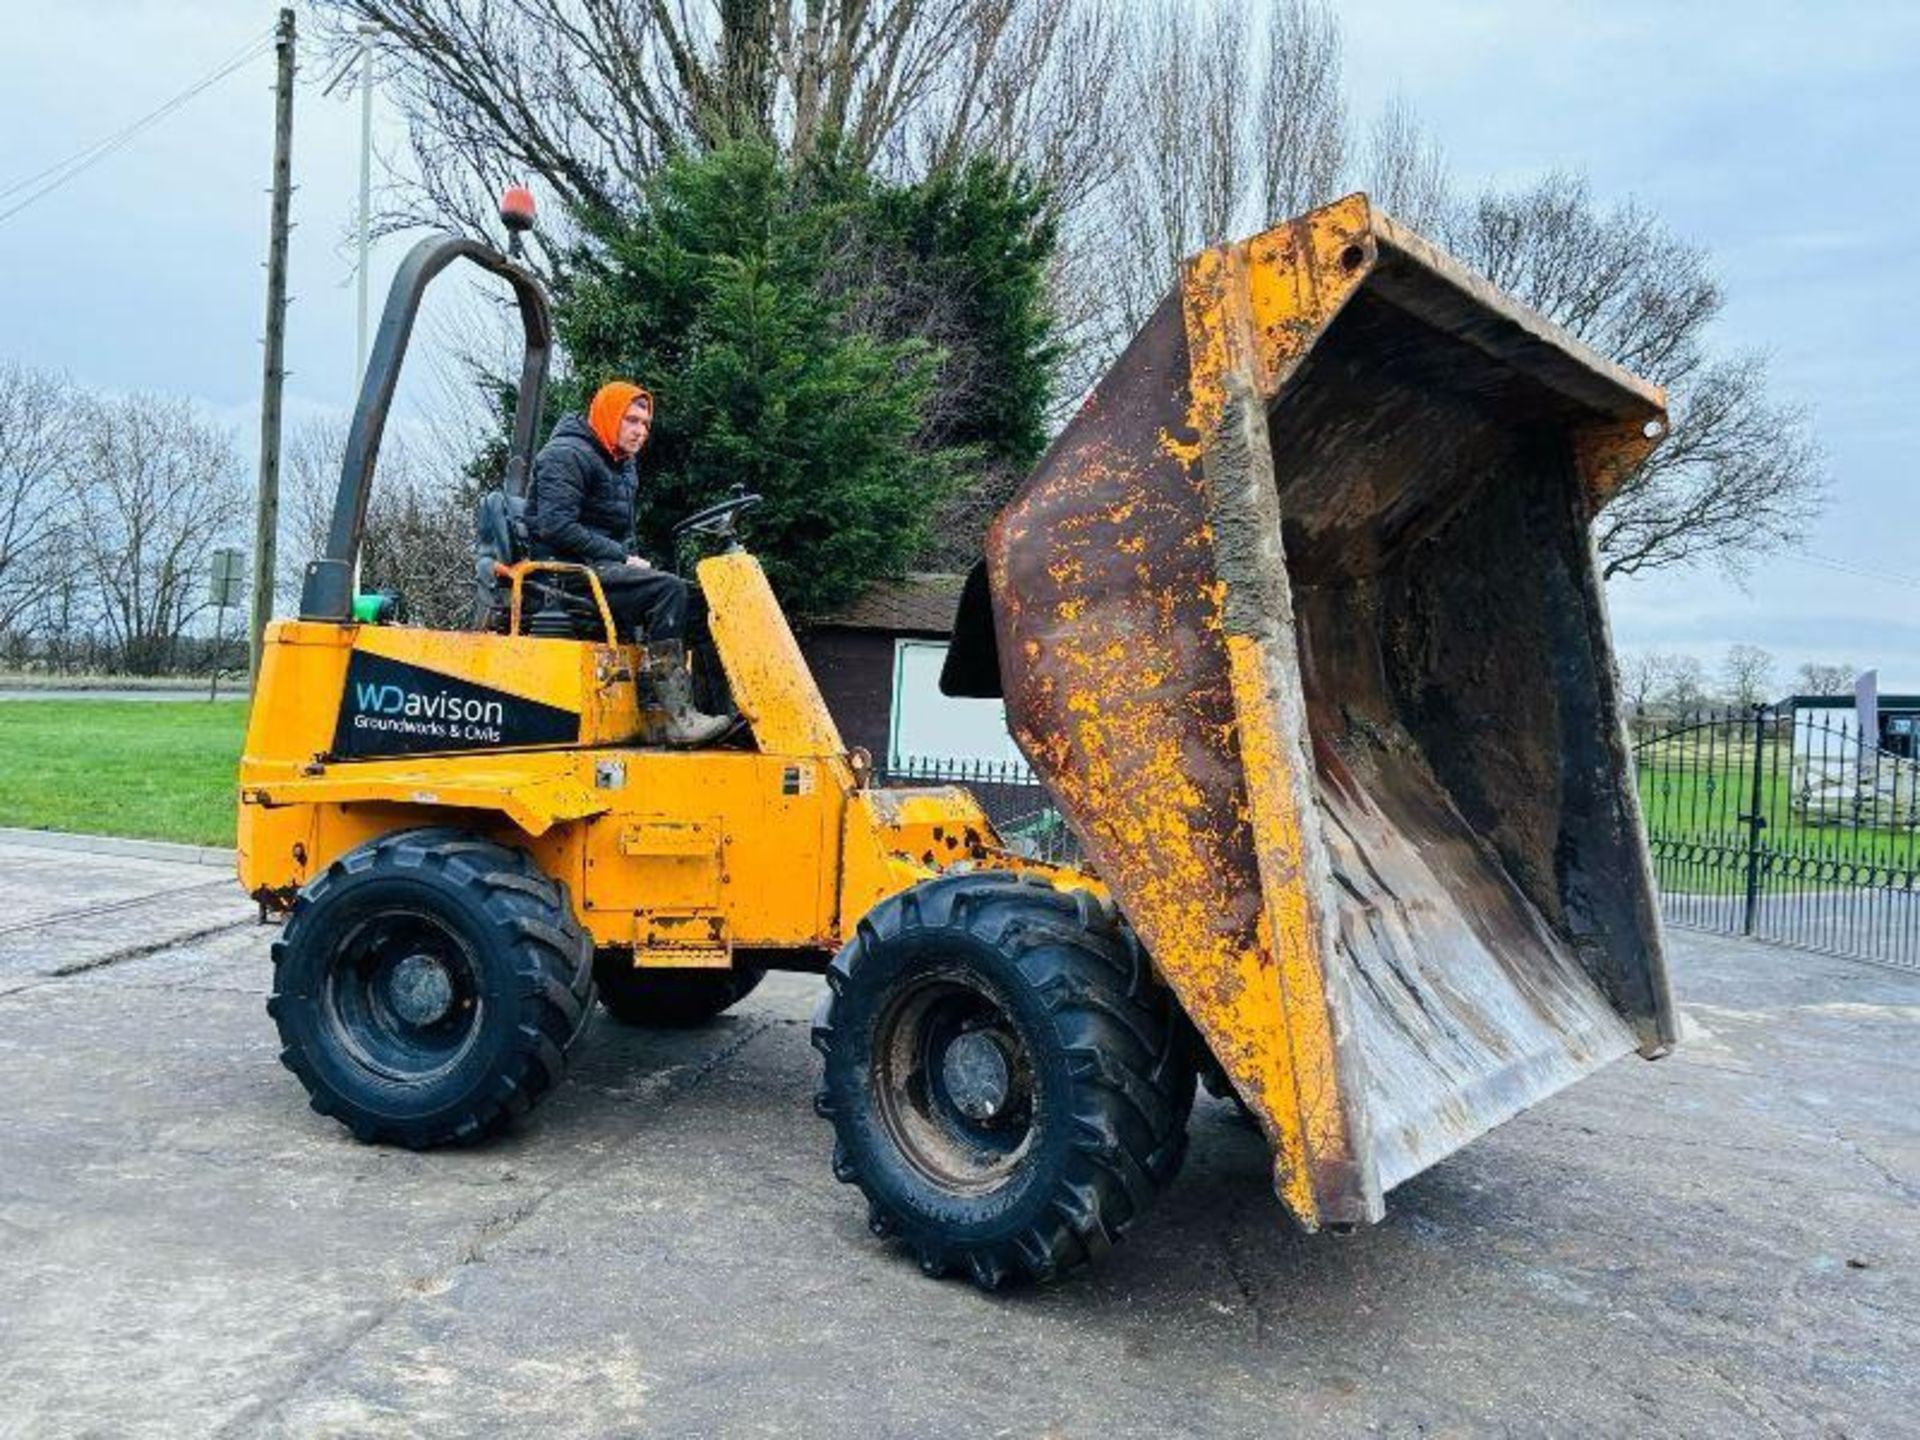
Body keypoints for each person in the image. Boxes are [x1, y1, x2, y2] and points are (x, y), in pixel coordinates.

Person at [528, 381, 729, 747]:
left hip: (601, 568)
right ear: (609, 415)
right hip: (564, 574)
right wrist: (621, 558)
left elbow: (624, 532)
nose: (640, 431)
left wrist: (633, 562)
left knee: (696, 599)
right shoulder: (566, 455)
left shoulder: (623, 464)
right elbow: (554, 526)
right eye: (632, 420)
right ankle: (679, 719)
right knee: (666, 590)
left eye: (646, 424)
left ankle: (721, 715)